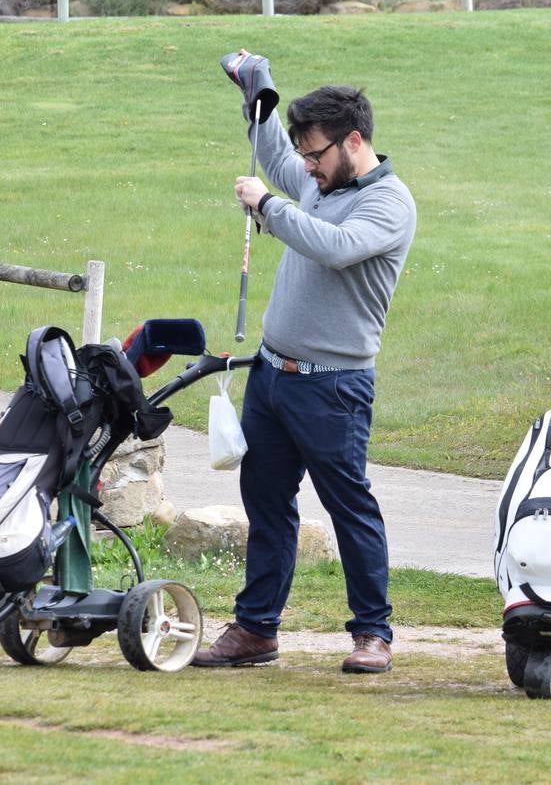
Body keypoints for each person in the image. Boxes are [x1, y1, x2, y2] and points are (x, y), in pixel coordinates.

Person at [193, 51, 417, 674]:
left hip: (334, 388)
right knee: (265, 502)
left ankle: (373, 633)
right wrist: (257, 91)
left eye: (316, 155)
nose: (308, 167)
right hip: (271, 377)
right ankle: (257, 629)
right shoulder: (322, 184)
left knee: (349, 506)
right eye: (307, 158)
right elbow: (273, 157)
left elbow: (334, 248)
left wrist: (268, 207)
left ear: (354, 141)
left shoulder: (389, 205)